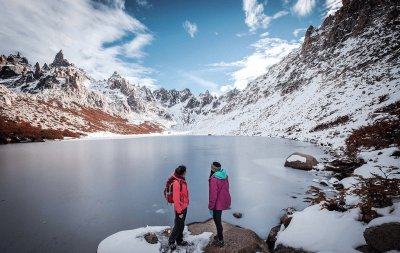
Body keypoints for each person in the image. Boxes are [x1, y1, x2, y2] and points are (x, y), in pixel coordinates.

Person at [208, 161, 231, 247]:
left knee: (217, 222)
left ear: (213, 169)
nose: (210, 168)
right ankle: (219, 234)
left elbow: (213, 195)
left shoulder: (214, 179)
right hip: (223, 200)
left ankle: (220, 240)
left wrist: (210, 207)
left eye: (211, 167)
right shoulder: (224, 175)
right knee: (218, 220)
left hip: (217, 203)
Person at [168, 165, 189, 250]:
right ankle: (171, 241)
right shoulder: (177, 183)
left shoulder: (181, 179)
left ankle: (179, 240)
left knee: (181, 225)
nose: (186, 173)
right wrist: (179, 212)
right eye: (185, 171)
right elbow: (176, 200)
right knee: (178, 226)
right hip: (180, 208)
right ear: (183, 173)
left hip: (184, 206)